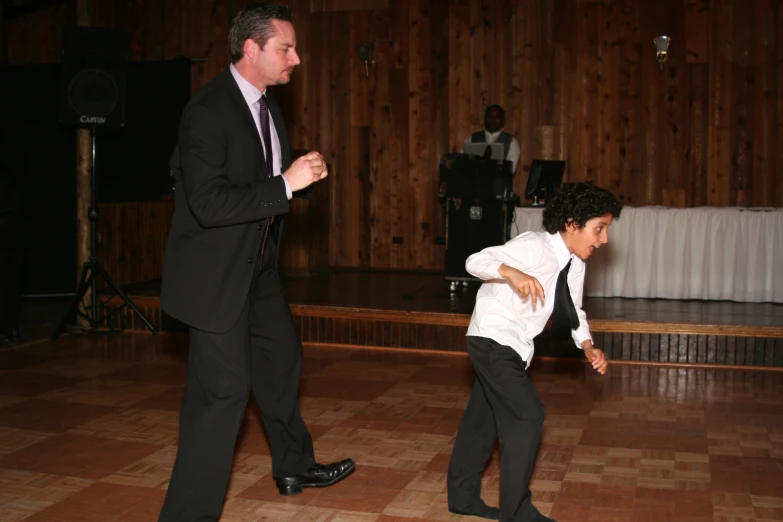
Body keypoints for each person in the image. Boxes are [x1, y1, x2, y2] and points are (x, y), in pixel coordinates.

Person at [158, 3, 354, 521]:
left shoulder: (265, 105)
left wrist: (297, 183)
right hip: (214, 278)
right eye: (285, 48)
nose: (298, 58)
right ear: (251, 49)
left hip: (257, 268)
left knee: (281, 362)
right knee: (221, 396)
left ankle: (293, 465)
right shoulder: (207, 111)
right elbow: (209, 203)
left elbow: (260, 185)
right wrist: (286, 183)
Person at [447, 182, 623, 521]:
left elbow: (572, 310)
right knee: (528, 415)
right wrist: (510, 271)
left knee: (481, 422)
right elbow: (474, 260)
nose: (603, 239)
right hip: (492, 339)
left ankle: (463, 498)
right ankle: (516, 511)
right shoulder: (534, 246)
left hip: (513, 347)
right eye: (598, 229)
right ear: (573, 223)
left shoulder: (575, 263)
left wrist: (588, 346)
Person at [463, 104, 521, 174]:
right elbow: (462, 164)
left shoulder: (512, 142)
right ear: (484, 119)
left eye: (496, 116)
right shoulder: (471, 139)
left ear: (503, 121)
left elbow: (511, 169)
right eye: (489, 116)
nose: (492, 119)